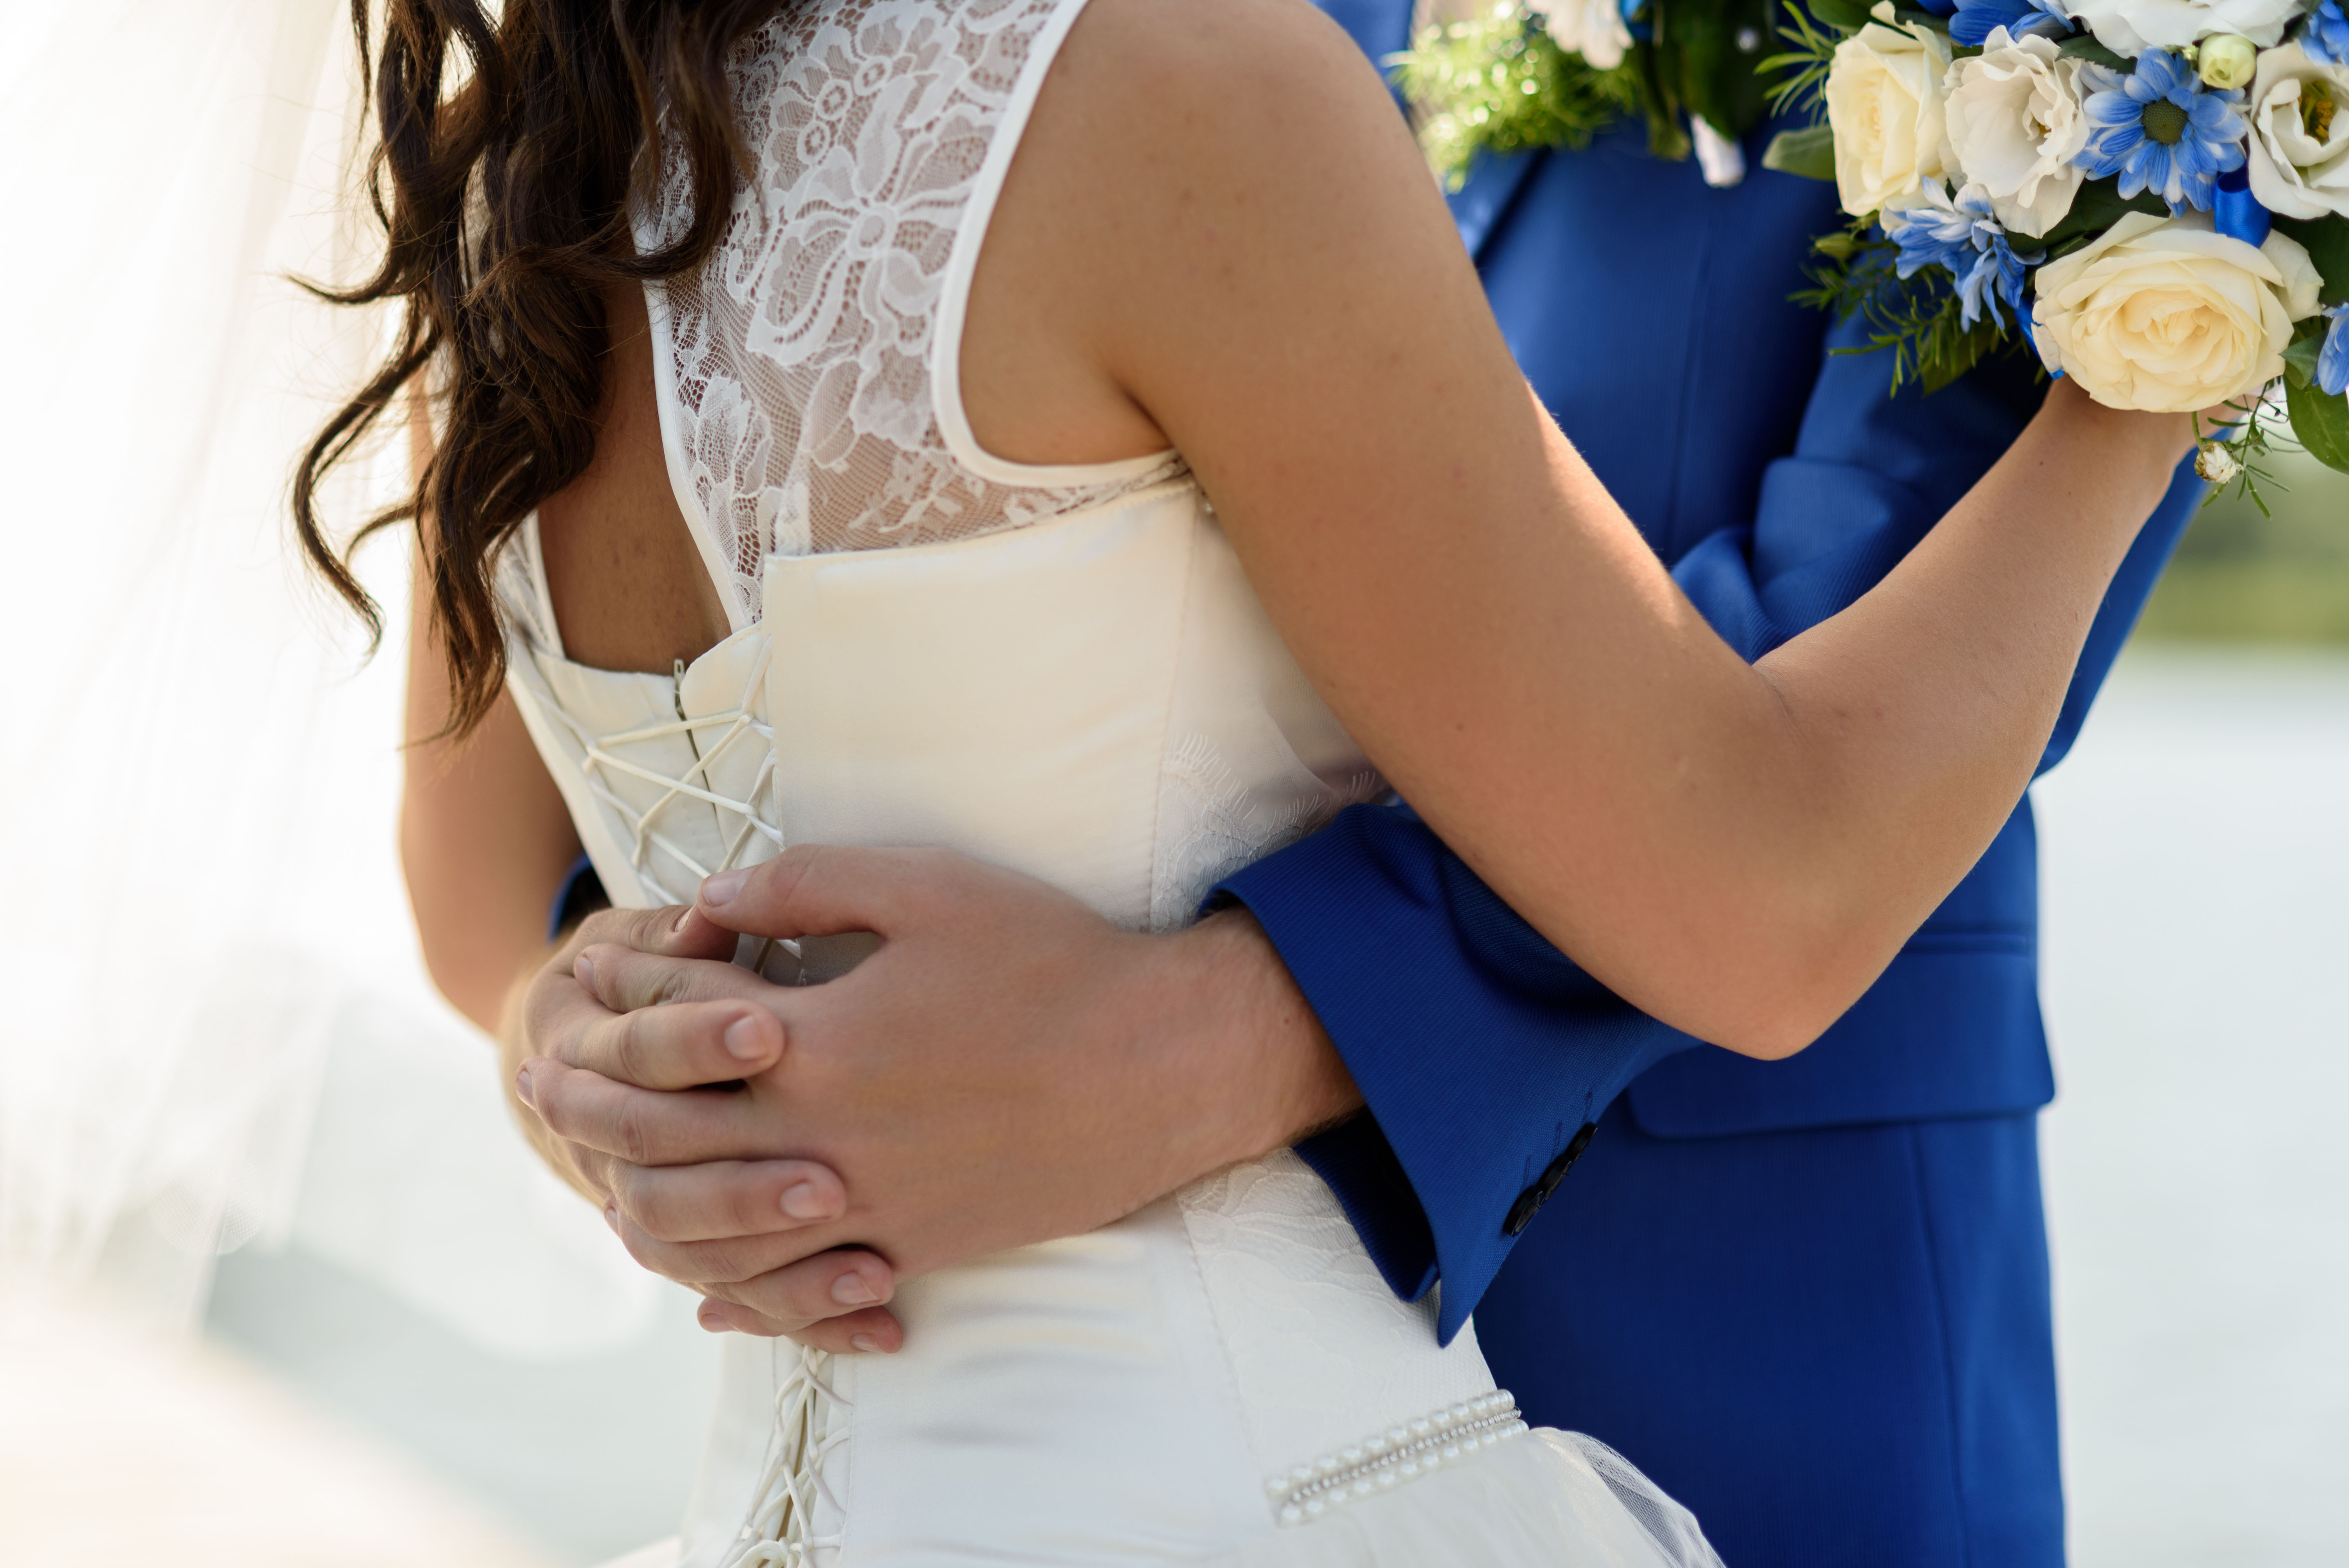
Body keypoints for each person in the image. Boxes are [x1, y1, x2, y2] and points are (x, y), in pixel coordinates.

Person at [324, 0, 2204, 1561]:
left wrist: (617, 1061)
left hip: (1756, 1310)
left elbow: (483, 909)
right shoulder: (1186, 91)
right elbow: (1764, 881)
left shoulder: (535, 157)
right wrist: (2186, 338)